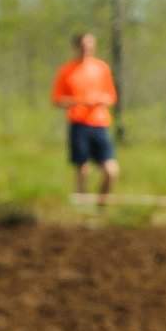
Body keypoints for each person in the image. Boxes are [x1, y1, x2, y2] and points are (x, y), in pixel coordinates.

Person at [50, 31, 118, 204]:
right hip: (79, 124)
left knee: (111, 170)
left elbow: (111, 96)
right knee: (83, 169)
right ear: (76, 47)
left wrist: (99, 100)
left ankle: (102, 204)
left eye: (90, 44)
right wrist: (79, 101)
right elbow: (57, 99)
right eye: (83, 45)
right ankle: (81, 206)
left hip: (100, 124)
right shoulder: (66, 71)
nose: (87, 48)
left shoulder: (102, 68)